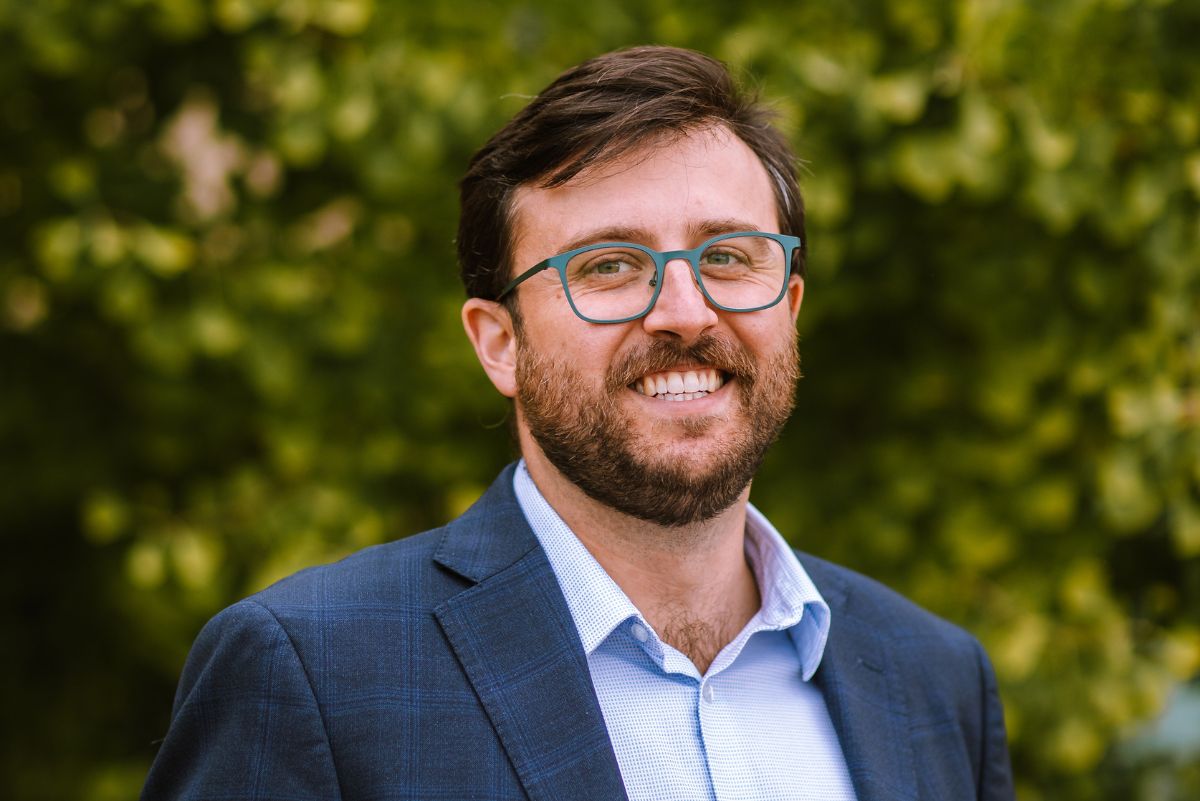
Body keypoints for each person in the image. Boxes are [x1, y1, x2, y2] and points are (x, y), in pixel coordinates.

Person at [142, 46, 1014, 801]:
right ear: (499, 344)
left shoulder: (935, 682)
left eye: (728, 256)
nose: (684, 310)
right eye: (609, 266)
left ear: (788, 306)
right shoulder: (314, 675)